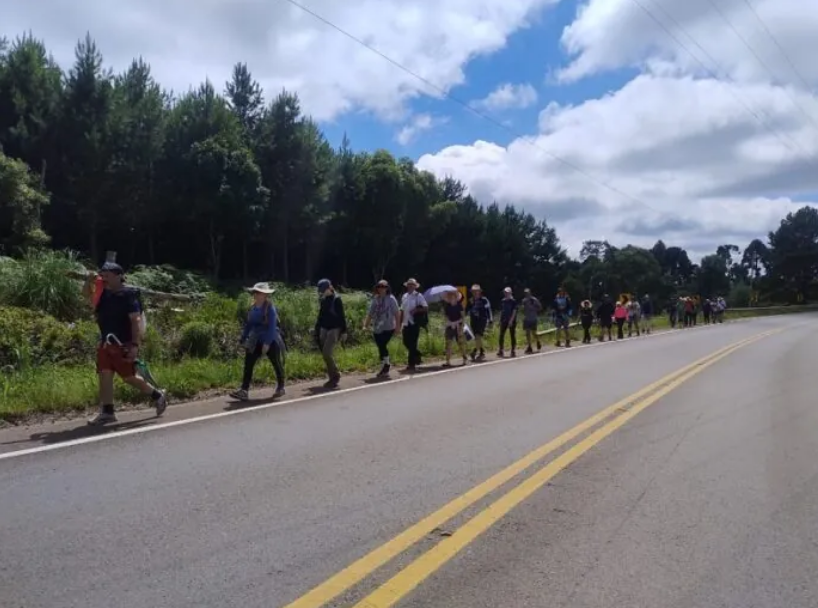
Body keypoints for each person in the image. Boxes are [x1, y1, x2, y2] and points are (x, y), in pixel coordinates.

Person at [82, 261, 166, 426]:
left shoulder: (128, 295)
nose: (104, 278)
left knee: (129, 377)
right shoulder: (104, 294)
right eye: (103, 275)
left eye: (108, 275)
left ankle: (157, 395)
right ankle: (107, 412)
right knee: (104, 374)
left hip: (123, 343)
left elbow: (135, 320)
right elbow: (86, 296)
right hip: (106, 342)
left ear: (119, 276)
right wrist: (88, 281)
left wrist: (135, 346)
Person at [230, 282, 285, 401]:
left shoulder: (270, 308)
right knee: (248, 362)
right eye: (255, 292)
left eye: (259, 293)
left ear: (265, 295)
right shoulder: (253, 308)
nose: (256, 295)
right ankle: (244, 390)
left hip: (270, 339)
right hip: (255, 339)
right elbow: (249, 325)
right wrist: (243, 338)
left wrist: (267, 343)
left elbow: (272, 327)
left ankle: (281, 387)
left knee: (276, 362)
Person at [363, 280, 401, 378]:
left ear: (387, 288)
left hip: (389, 327)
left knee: (383, 344)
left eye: (383, 287)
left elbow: (397, 313)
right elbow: (370, 313)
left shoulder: (391, 299)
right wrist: (365, 325)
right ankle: (384, 365)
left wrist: (398, 327)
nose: (381, 288)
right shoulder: (376, 299)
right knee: (380, 346)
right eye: (379, 287)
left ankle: (387, 365)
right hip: (377, 327)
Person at [314, 278, 347, 388]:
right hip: (324, 329)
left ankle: (335, 375)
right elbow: (320, 317)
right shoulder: (323, 301)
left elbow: (342, 317)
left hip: (335, 329)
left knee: (327, 353)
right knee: (325, 354)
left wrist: (344, 332)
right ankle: (331, 376)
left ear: (329, 287)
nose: (322, 292)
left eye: (324, 289)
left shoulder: (337, 299)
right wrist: (316, 330)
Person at [399, 278, 428, 372]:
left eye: (412, 285)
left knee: (413, 343)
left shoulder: (418, 296)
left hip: (415, 323)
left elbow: (425, 308)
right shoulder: (404, 296)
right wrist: (399, 323)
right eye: (409, 284)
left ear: (415, 286)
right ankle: (417, 354)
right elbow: (402, 310)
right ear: (407, 286)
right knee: (405, 342)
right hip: (406, 322)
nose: (410, 286)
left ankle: (411, 364)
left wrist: (416, 310)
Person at [442, 291, 468, 366]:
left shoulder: (459, 305)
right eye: (449, 296)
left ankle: (464, 359)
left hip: (458, 326)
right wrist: (449, 323)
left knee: (460, 343)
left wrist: (460, 326)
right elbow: (446, 317)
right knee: (448, 343)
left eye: (453, 296)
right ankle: (448, 361)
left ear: (456, 297)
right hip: (450, 326)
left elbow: (463, 317)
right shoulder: (447, 306)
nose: (451, 297)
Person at [467, 284, 492, 361]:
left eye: (476, 291)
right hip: (473, 321)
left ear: (479, 292)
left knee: (478, 336)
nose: (475, 292)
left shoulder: (484, 300)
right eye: (473, 291)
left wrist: (490, 320)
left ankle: (474, 352)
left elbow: (488, 310)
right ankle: (481, 352)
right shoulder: (471, 300)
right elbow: (469, 311)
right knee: (477, 338)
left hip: (482, 320)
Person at [520, 288, 543, 354]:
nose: (526, 294)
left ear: (530, 293)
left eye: (527, 293)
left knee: (534, 333)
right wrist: (523, 309)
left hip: (533, 318)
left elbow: (540, 307)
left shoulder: (534, 300)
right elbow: (523, 310)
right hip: (527, 318)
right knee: (527, 333)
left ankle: (538, 341)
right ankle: (529, 346)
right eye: (525, 293)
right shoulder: (524, 301)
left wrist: (533, 308)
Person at [497, 287, 518, 357]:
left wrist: (511, 321)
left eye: (507, 292)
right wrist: (499, 320)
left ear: (510, 293)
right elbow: (502, 311)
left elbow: (514, 312)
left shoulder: (513, 301)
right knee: (501, 335)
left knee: (512, 335)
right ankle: (501, 350)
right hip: (504, 320)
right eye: (505, 292)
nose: (506, 294)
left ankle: (513, 350)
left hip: (511, 320)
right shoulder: (503, 301)